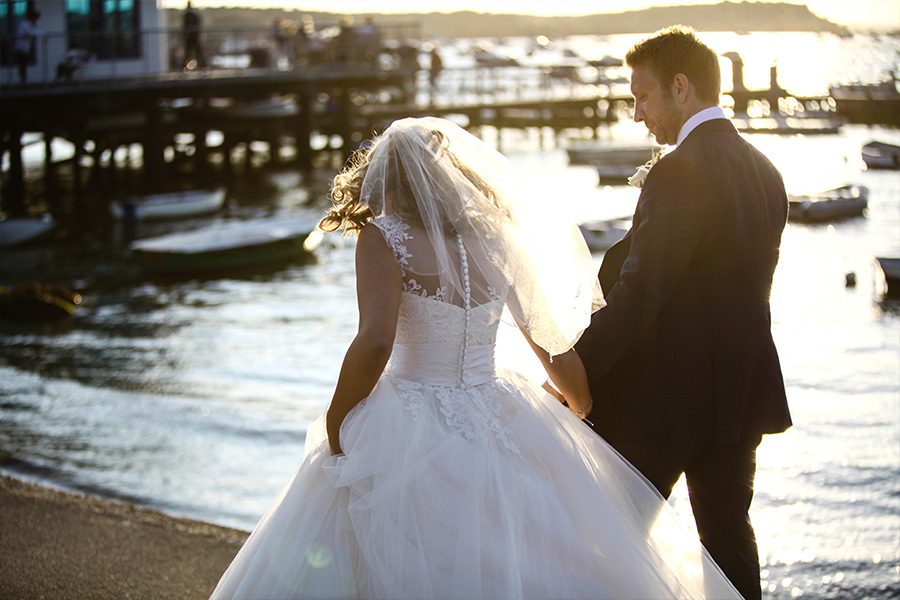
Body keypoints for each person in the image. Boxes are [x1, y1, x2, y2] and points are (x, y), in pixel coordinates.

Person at [208, 116, 742, 599]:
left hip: (409, 414)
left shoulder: (382, 237)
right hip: (498, 411)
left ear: (388, 181)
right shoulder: (499, 239)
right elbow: (552, 345)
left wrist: (338, 417)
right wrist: (577, 403)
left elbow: (374, 340)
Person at [573, 26, 792, 600]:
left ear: (680, 87)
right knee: (728, 543)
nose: (638, 114)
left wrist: (575, 365)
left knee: (611, 543)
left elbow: (643, 291)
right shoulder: (766, 171)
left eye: (643, 97)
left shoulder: (679, 172)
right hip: (737, 398)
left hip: (662, 403)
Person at [13, 9, 41, 84]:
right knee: (22, 64)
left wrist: (43, 36)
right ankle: (23, 81)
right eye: (36, 19)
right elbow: (32, 32)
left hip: (24, 48)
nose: (36, 21)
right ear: (32, 17)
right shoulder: (24, 25)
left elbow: (35, 32)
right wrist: (41, 36)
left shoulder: (29, 25)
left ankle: (23, 80)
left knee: (23, 64)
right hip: (20, 48)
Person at [182, 0, 205, 70]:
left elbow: (184, 27)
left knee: (190, 53)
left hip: (191, 37)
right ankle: (203, 67)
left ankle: (202, 67)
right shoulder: (193, 15)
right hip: (193, 37)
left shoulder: (187, 15)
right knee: (192, 53)